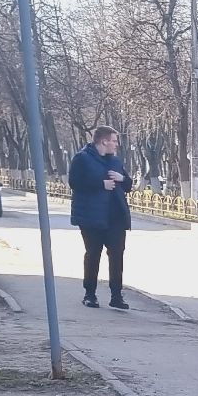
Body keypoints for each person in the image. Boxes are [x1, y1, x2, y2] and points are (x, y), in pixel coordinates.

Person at [67, 125, 133, 309]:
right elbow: (74, 182)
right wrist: (100, 184)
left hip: (115, 217)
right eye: (114, 141)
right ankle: (90, 294)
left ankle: (116, 296)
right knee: (93, 254)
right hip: (92, 217)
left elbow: (128, 185)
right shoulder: (82, 159)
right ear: (103, 141)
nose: (116, 144)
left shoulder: (115, 161)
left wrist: (123, 178)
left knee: (117, 256)